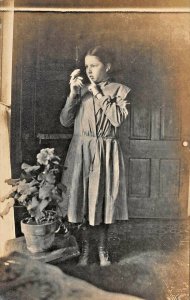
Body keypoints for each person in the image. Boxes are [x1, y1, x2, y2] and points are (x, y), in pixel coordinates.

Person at [59, 45, 131, 266]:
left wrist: (99, 94)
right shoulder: (80, 90)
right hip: (81, 150)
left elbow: (118, 120)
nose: (89, 70)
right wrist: (73, 94)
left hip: (105, 152)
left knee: (102, 201)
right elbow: (65, 121)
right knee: (80, 201)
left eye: (94, 65)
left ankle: (102, 249)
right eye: (86, 66)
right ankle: (85, 249)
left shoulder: (120, 90)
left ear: (107, 66)